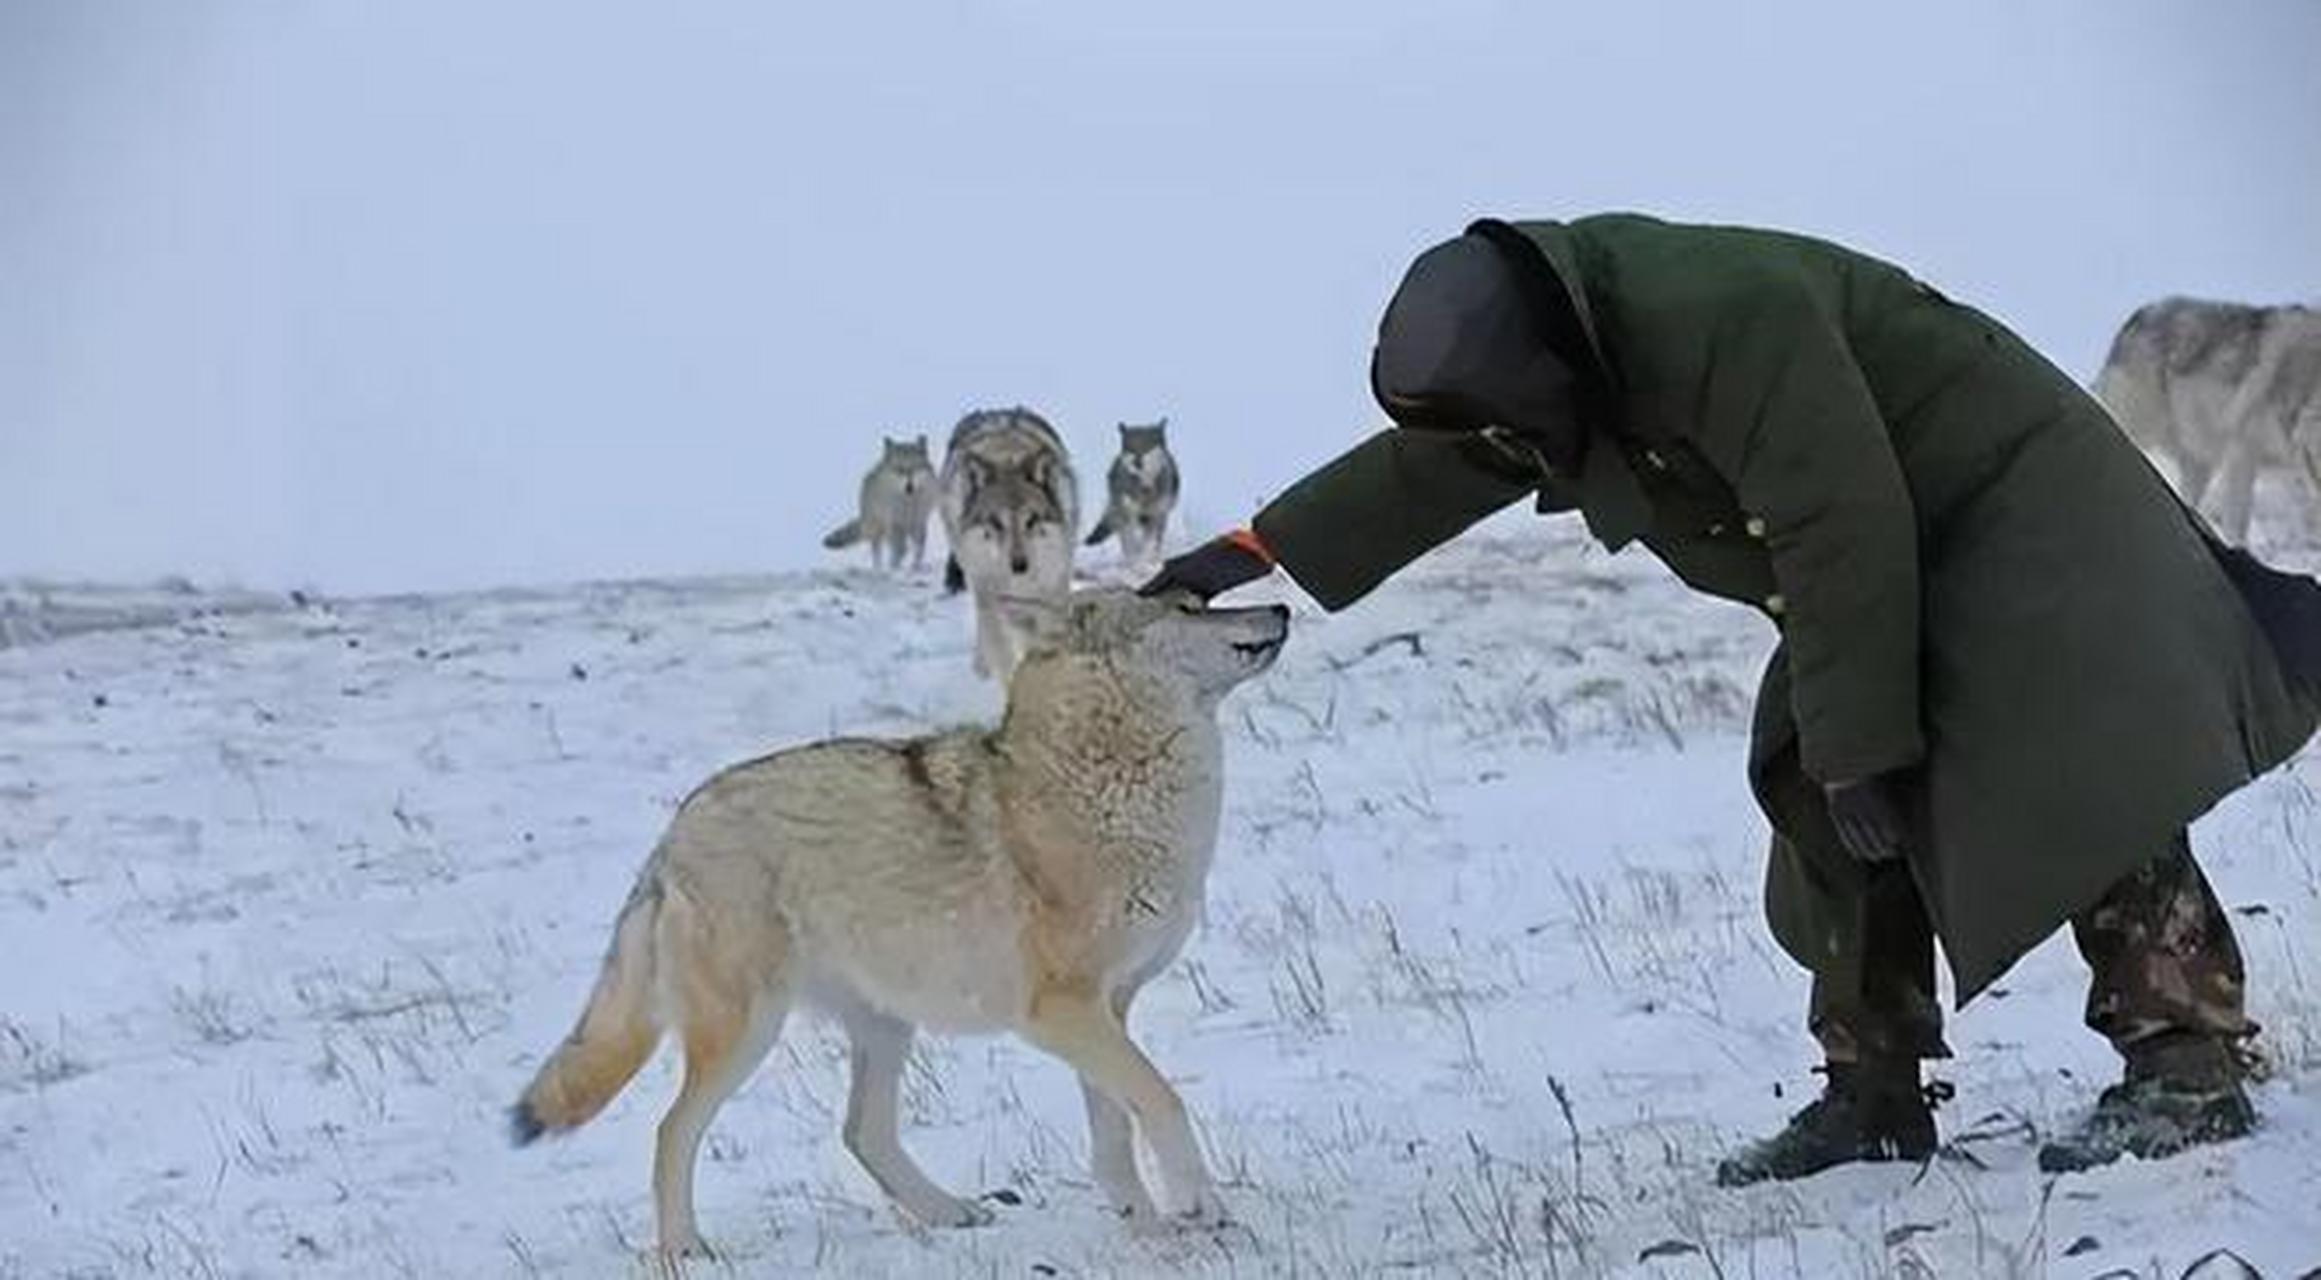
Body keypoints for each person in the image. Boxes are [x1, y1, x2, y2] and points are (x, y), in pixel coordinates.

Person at [1143, 214, 2321, 1181]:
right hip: (1885, 546)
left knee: (2061, 754)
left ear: (1540, 369)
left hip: (2009, 508)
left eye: (1510, 417)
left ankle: (2187, 1065)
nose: (1507, 438)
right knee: (1812, 776)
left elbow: (1836, 512)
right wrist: (1254, 549)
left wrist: (1865, 743)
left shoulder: (1722, 316)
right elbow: (1439, 460)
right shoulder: (1561, 349)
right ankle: (1871, 1092)